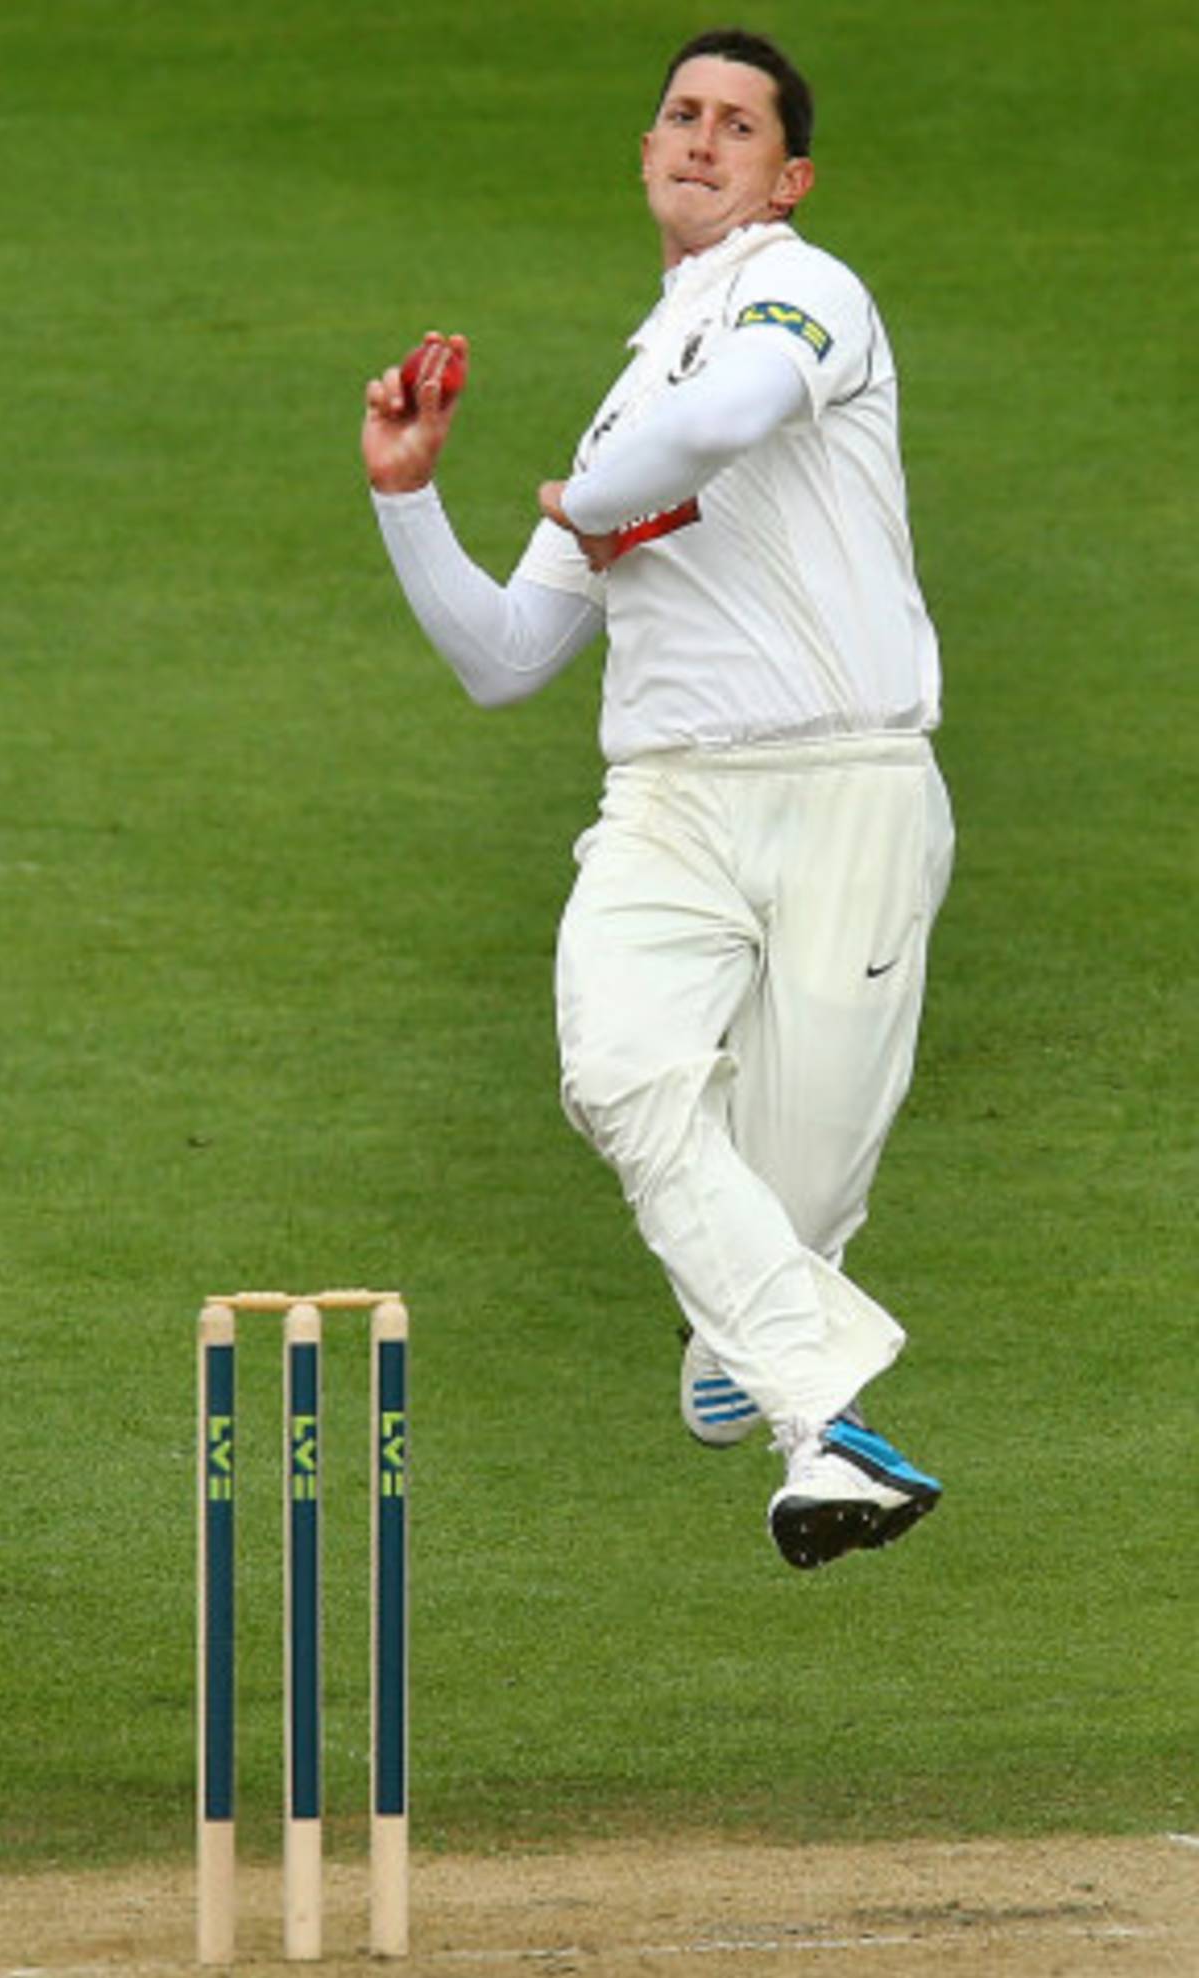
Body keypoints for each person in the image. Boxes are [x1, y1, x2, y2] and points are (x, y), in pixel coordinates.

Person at [361, 27, 954, 1571]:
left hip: (851, 787)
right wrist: (410, 495)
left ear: (788, 176)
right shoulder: (621, 414)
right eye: (679, 116)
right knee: (619, 1072)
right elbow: (504, 657)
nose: (701, 139)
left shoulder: (807, 295)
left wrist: (597, 501)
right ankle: (831, 1427)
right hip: (670, 803)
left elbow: (730, 417)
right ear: (645, 153)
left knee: (796, 1196)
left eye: (737, 125)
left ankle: (750, 1336)